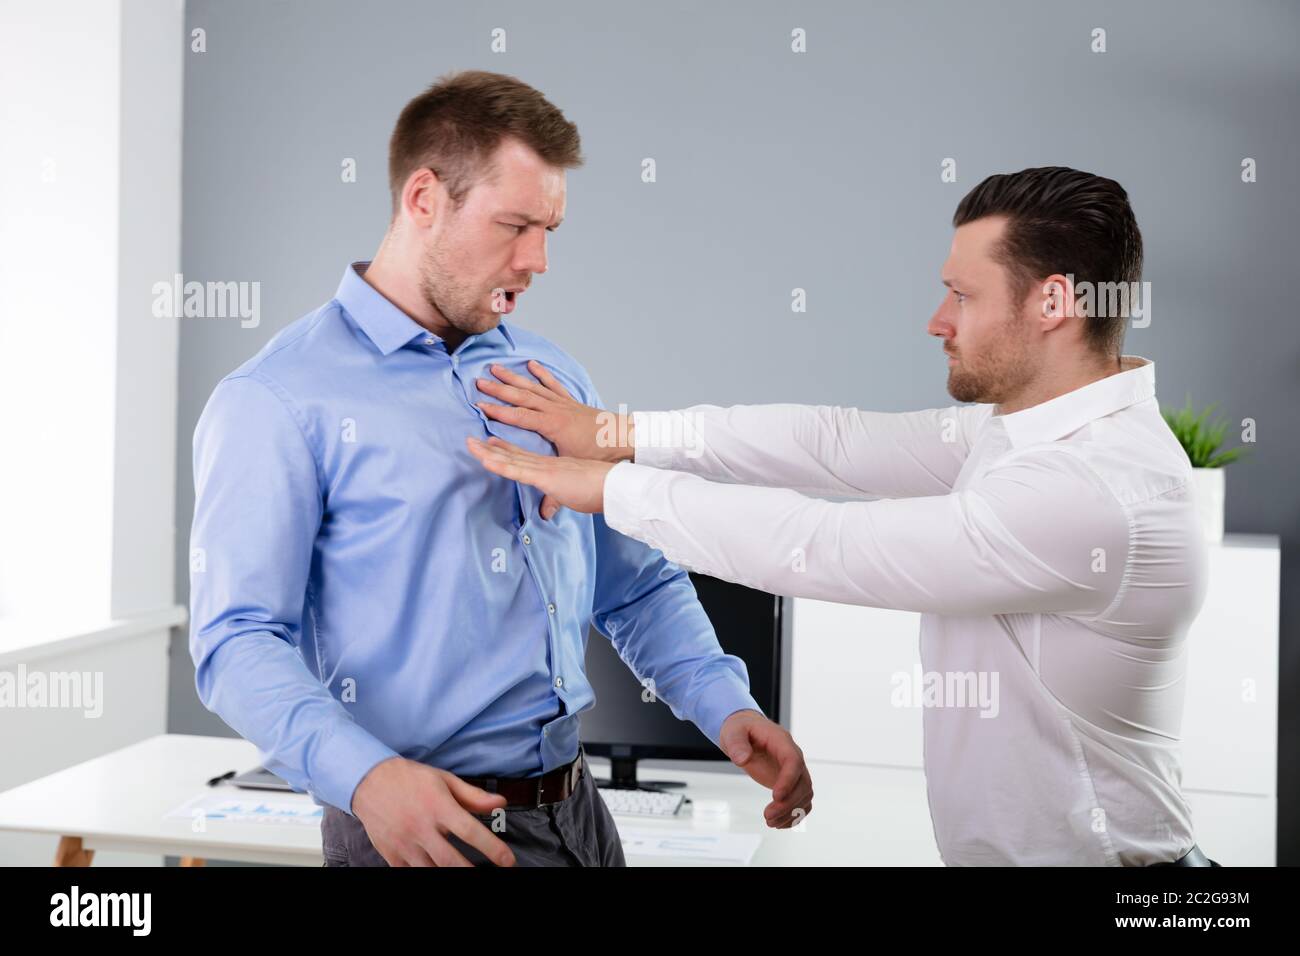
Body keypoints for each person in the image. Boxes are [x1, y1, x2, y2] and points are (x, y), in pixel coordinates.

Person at [466, 166, 1216, 866]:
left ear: (1053, 303)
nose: (937, 321)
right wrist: (618, 434)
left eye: (963, 295)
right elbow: (830, 442)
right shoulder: (1023, 431)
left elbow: (825, 546)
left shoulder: (1092, 489)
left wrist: (609, 486)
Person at [189, 70, 811, 868]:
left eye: (549, 229)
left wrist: (724, 704)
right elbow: (236, 639)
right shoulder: (276, 399)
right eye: (515, 225)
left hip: (579, 816)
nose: (539, 259)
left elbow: (633, 578)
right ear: (424, 199)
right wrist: (368, 780)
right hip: (419, 832)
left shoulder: (553, 378)